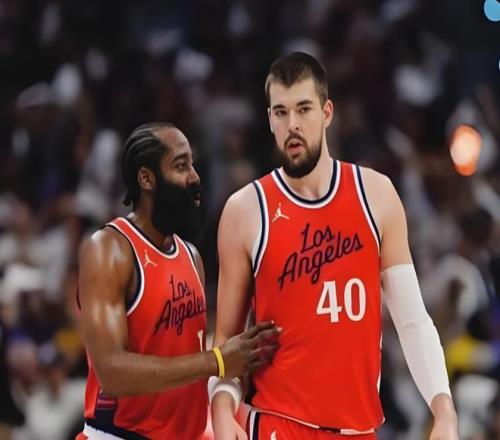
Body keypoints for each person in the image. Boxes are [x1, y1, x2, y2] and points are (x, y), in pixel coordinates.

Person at [210, 53, 458, 439]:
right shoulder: (245, 211)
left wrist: (444, 412)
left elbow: (412, 321)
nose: (292, 124)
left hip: (358, 428)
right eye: (280, 112)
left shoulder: (375, 195)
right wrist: (222, 410)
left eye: (303, 109)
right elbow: (227, 342)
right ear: (270, 119)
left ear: (327, 113)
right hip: (278, 424)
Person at [77, 123, 280, 440]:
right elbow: (111, 373)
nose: (195, 177)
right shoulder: (109, 249)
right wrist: (217, 360)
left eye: (192, 164)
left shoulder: (191, 256)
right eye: (181, 166)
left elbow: (191, 363)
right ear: (147, 179)